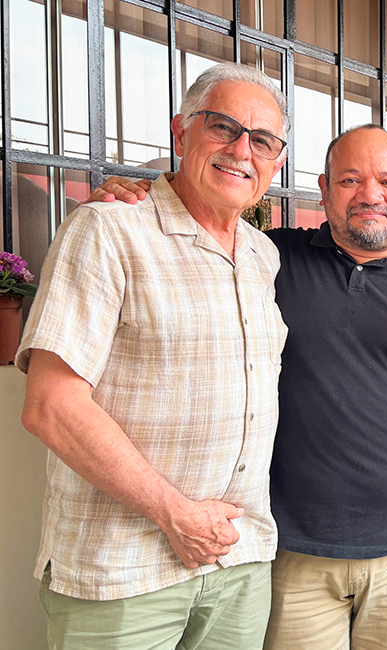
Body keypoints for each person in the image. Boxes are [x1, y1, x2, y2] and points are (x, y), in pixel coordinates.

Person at [87, 124, 387, 650]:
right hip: (291, 547)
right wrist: (140, 197)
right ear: (324, 189)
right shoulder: (268, 258)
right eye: (350, 180)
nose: (370, 195)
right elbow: (194, 226)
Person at [18, 63, 290, 649]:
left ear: (277, 162)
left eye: (263, 140)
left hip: (239, 561)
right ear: (181, 133)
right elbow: (51, 406)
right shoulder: (107, 230)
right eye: (223, 127)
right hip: (122, 569)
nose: (242, 150)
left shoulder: (262, 255)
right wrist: (176, 515)